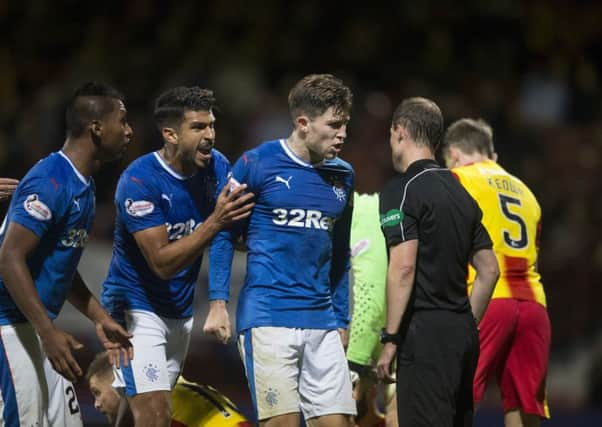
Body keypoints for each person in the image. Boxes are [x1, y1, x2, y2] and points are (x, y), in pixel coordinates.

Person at [205, 73, 357, 426]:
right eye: (334, 125)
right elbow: (225, 234)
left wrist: (342, 318)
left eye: (346, 124)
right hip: (268, 319)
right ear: (303, 123)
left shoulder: (344, 176)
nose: (343, 134)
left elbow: (340, 253)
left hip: (322, 321)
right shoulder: (256, 164)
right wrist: (217, 304)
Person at [100, 86, 254, 427]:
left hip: (179, 311)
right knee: (156, 415)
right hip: (135, 310)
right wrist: (216, 221)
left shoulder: (216, 167)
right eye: (198, 127)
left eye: (212, 125)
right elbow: (162, 263)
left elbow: (229, 233)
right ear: (170, 133)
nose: (210, 135)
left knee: (133, 415)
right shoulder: (140, 181)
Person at [0, 82, 135, 426]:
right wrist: (48, 332)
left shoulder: (84, 186)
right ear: (96, 127)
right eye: (122, 121)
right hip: (11, 329)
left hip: (38, 327)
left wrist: (100, 317)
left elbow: (59, 267)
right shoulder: (51, 181)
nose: (129, 131)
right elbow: (9, 258)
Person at [375, 97, 500, 427]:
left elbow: (403, 268)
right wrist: (464, 323)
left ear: (400, 132)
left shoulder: (401, 190)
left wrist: (389, 340)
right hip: (461, 334)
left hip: (424, 333)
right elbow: (489, 270)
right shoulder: (462, 193)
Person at [442, 118, 551, 427]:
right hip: (534, 304)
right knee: (523, 406)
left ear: (454, 153)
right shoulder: (528, 193)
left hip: (486, 298)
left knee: (458, 398)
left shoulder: (458, 178)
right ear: (492, 155)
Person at [86, 352, 251, 426]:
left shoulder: (149, 401)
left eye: (97, 392)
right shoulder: (169, 385)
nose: (96, 404)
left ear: (117, 381)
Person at [347, 192, 397, 427]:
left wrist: (353, 365)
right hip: (391, 329)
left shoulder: (363, 214)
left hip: (398, 331)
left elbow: (373, 298)